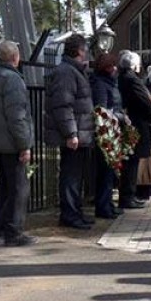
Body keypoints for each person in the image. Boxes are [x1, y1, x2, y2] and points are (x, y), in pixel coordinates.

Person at [0, 40, 35, 247]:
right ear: (14, 57)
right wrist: (24, 144)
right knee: (19, 188)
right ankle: (14, 231)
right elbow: (17, 116)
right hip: (12, 143)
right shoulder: (12, 79)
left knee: (3, 188)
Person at [45, 34, 95, 230]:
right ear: (80, 51)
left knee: (75, 176)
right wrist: (71, 134)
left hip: (80, 133)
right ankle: (69, 215)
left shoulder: (73, 71)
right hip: (74, 134)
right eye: (85, 49)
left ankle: (75, 212)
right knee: (70, 176)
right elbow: (63, 105)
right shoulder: (66, 72)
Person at [118, 51, 151, 208]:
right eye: (138, 63)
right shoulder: (132, 80)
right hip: (136, 123)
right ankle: (128, 196)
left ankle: (128, 195)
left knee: (131, 161)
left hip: (131, 121)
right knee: (131, 162)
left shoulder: (122, 78)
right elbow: (144, 102)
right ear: (134, 65)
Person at [89, 52, 122, 220]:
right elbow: (101, 109)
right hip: (105, 132)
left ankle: (108, 203)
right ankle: (103, 206)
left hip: (112, 129)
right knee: (105, 171)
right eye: (112, 65)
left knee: (109, 171)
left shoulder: (109, 83)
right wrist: (119, 117)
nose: (115, 68)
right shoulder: (101, 84)